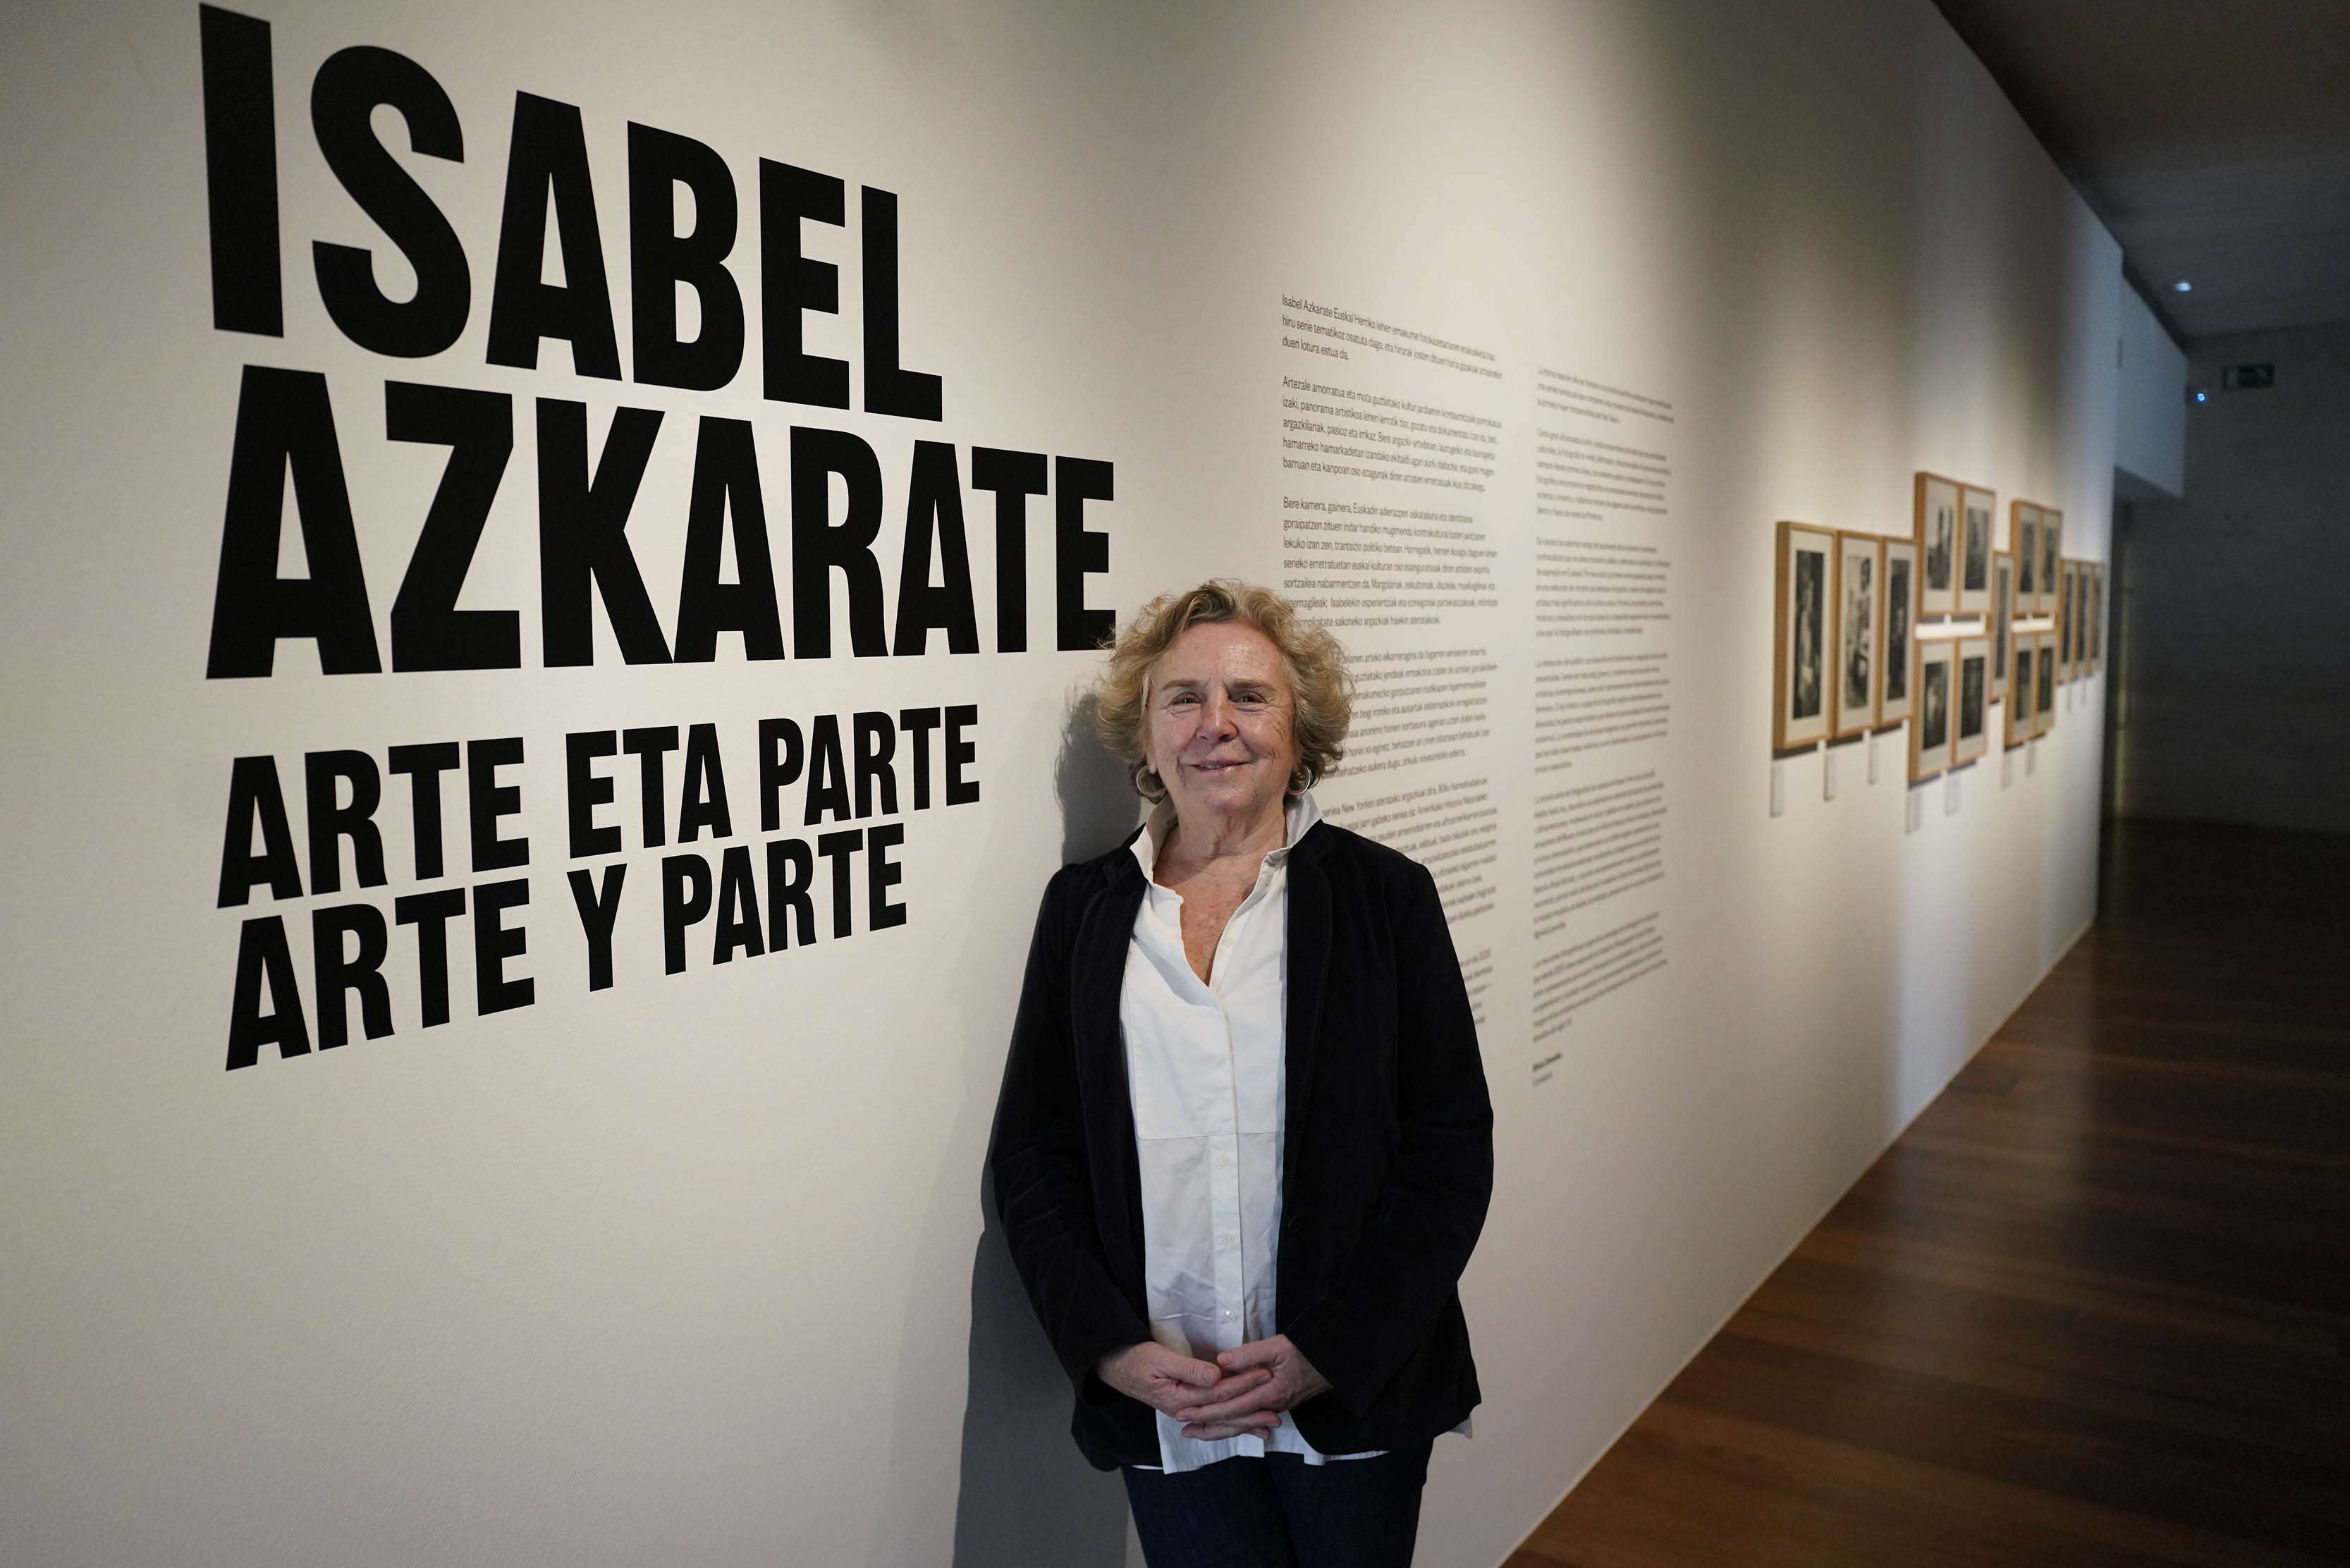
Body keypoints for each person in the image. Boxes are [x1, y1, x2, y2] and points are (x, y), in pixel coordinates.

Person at [989, 580, 1493, 1567]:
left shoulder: (1386, 897)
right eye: (1183, 697)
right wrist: (1108, 1349)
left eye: (1249, 697)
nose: (1215, 723)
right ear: (1146, 733)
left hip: (1350, 1394)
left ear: (1299, 731)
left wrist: (1330, 1350)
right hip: (1169, 1402)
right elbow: (1035, 1154)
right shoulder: (1083, 911)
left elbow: (1447, 1150)